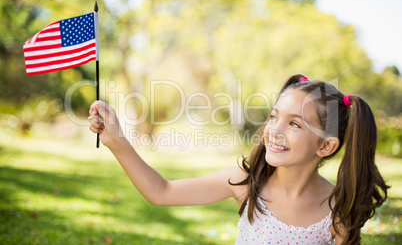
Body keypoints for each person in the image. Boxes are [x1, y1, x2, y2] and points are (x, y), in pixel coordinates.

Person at [88, 74, 389, 245]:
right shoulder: (246, 183)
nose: (275, 130)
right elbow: (161, 192)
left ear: (326, 146)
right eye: (274, 117)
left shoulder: (338, 209)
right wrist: (118, 142)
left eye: (294, 124)